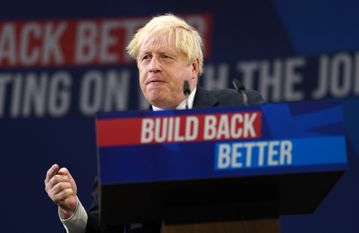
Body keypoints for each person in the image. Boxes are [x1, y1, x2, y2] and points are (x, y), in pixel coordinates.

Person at [44, 13, 264, 233]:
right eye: (146, 58)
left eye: (165, 57)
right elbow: (104, 227)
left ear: (194, 67)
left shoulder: (239, 106)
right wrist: (71, 210)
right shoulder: (125, 139)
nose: (153, 66)